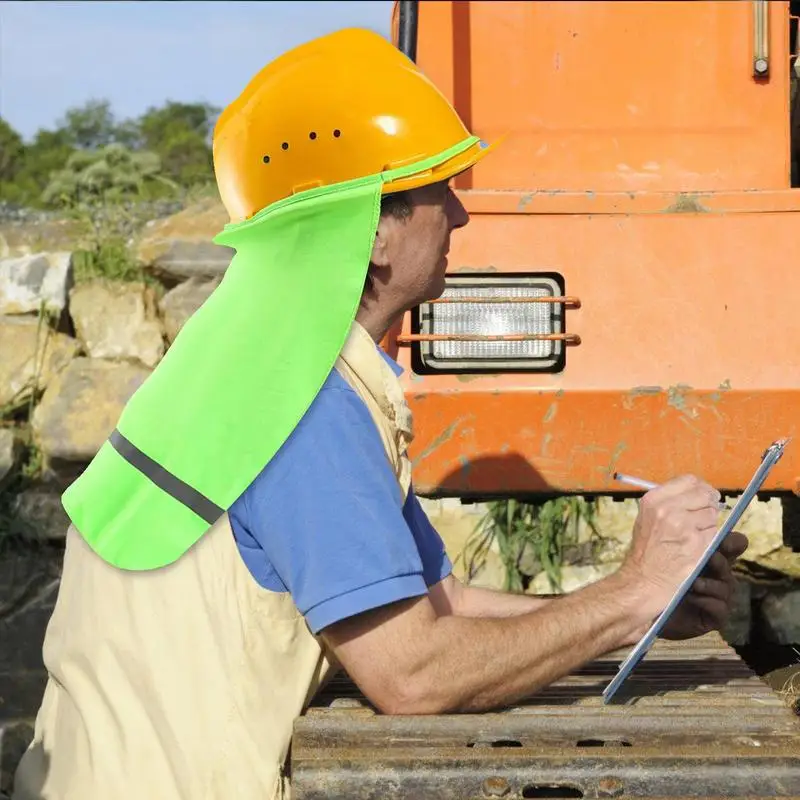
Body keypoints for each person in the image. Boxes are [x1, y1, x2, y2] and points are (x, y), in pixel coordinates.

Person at [13, 27, 747, 800]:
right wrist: (627, 593)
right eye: (439, 191)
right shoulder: (298, 405)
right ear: (372, 229)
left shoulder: (253, 359)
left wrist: (634, 610)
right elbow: (412, 673)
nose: (460, 217)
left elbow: (439, 604)